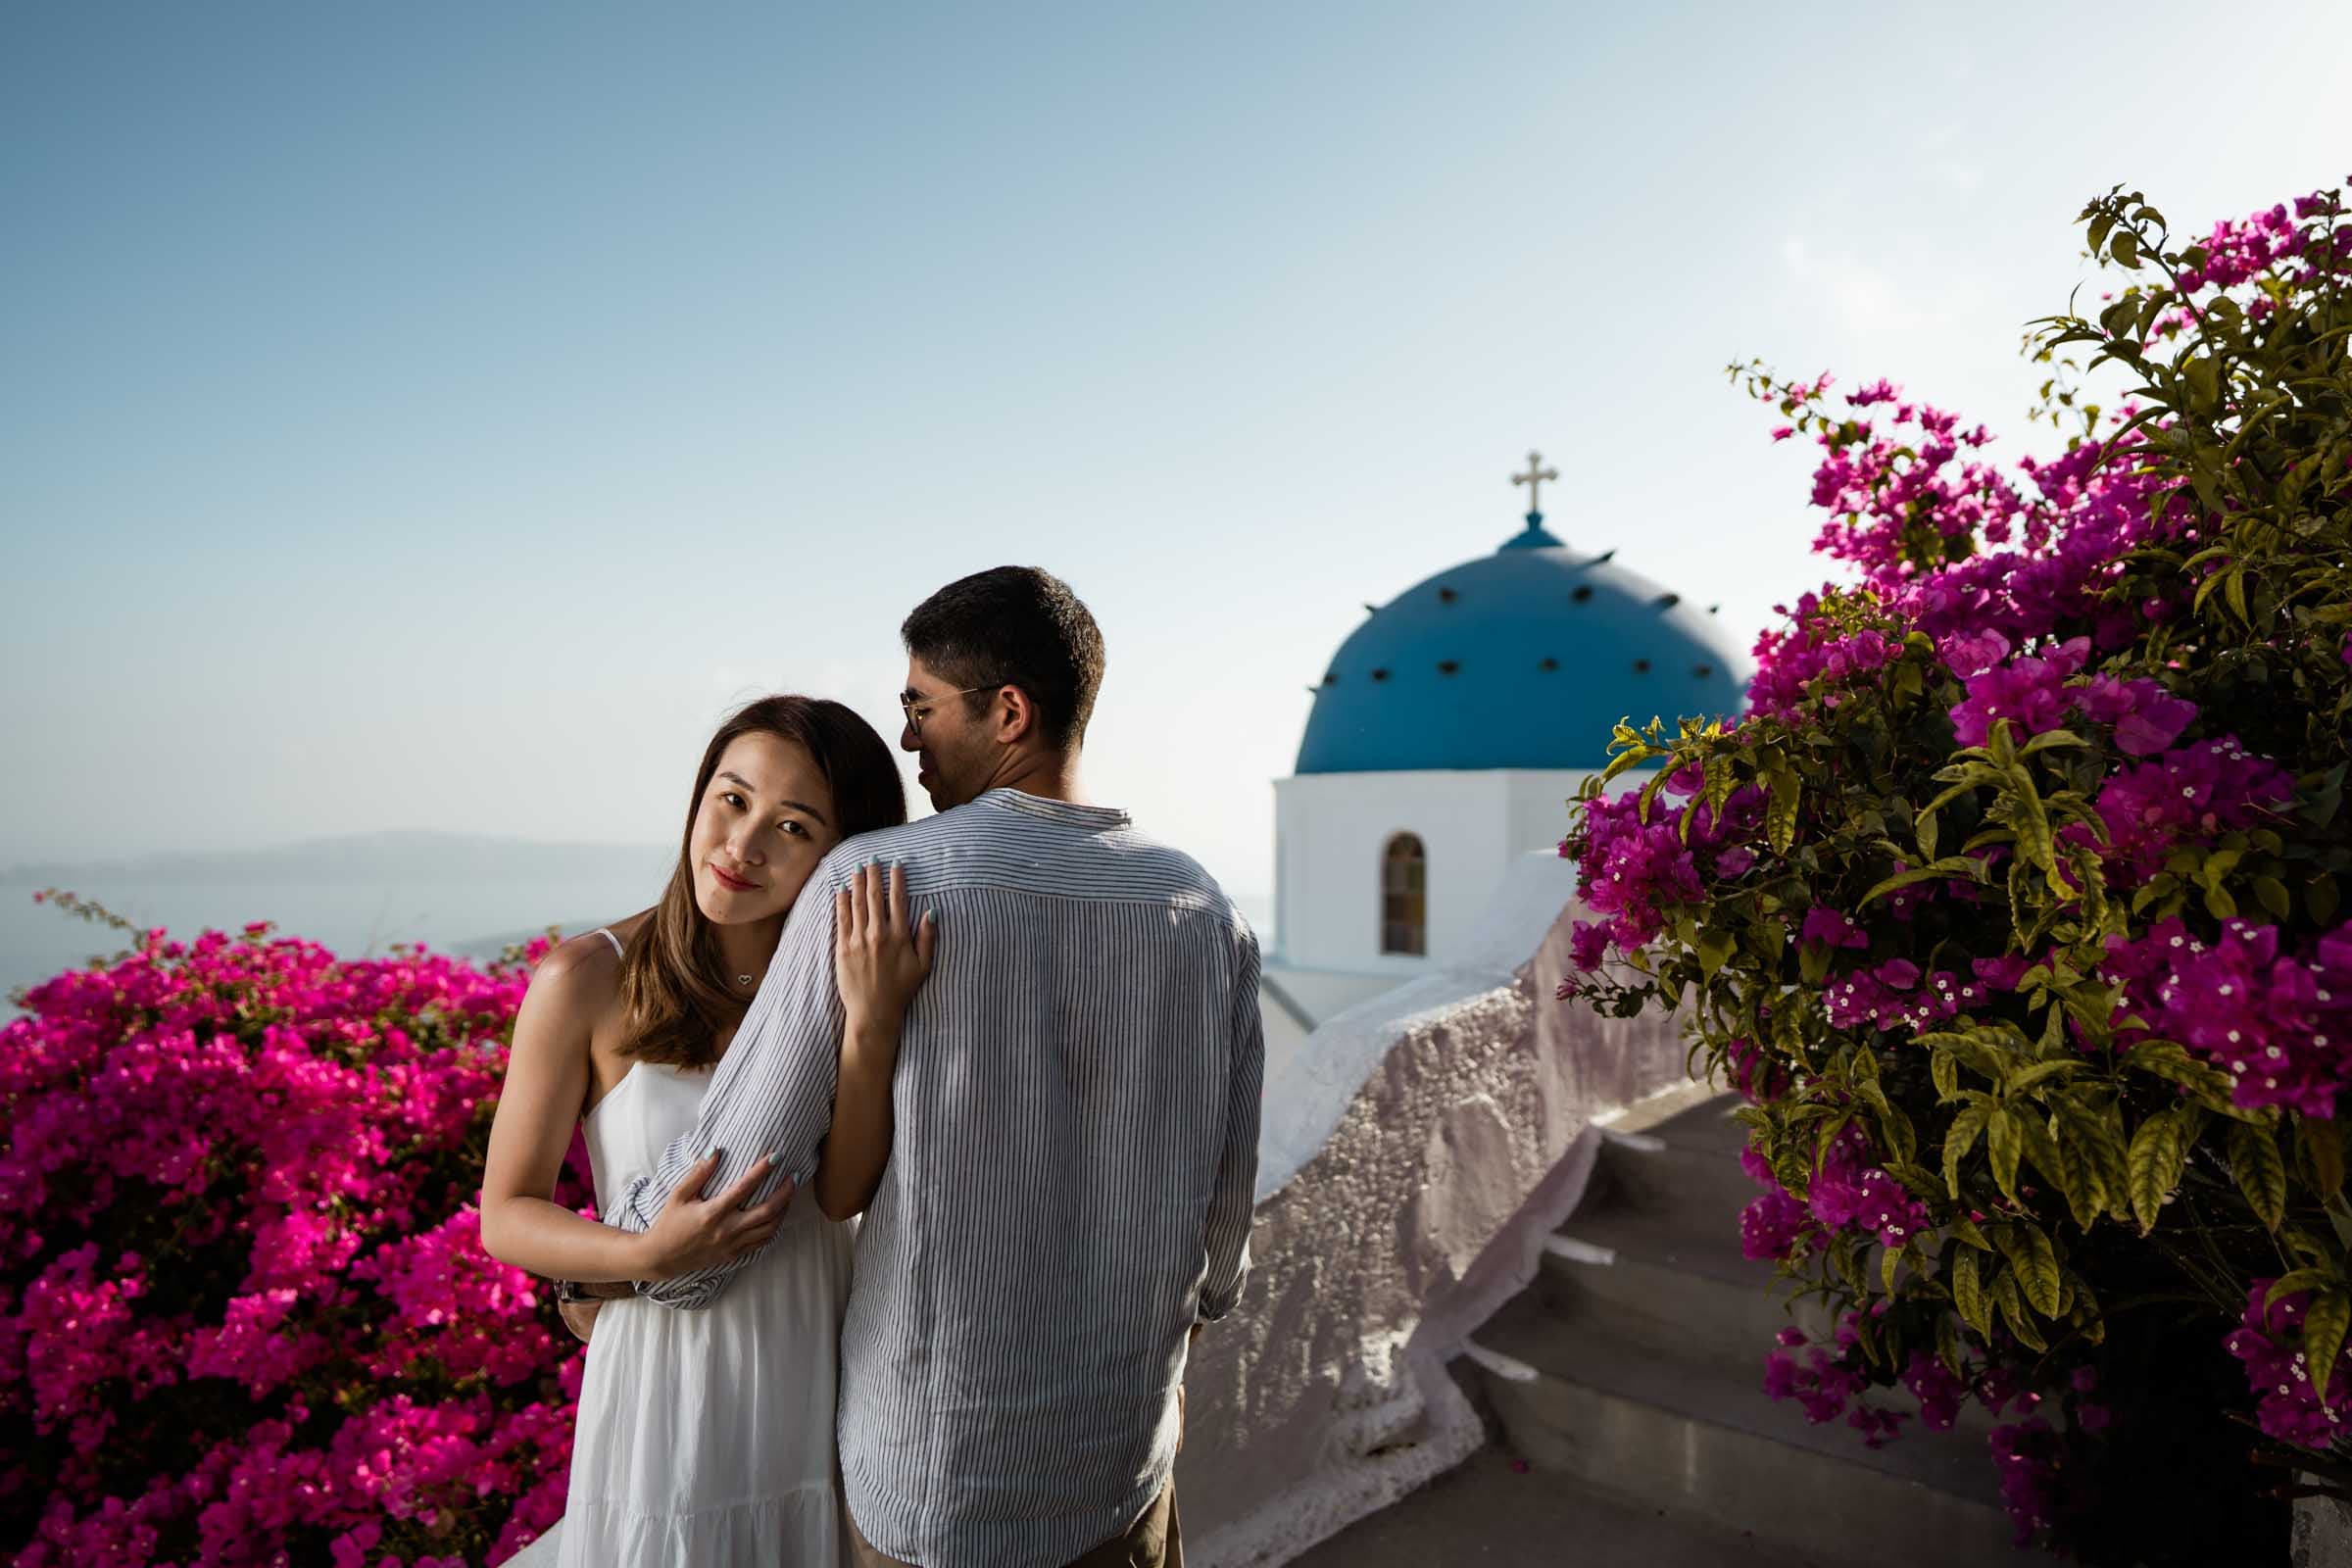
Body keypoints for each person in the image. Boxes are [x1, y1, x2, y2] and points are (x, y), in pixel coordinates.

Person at [607, 566, 1265, 1568]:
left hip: (939, 1485)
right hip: (1124, 1469)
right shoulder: (1205, 911)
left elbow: (737, 1166)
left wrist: (615, 1272)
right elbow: (1225, 1213)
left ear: (1008, 712)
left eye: (922, 707)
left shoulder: (880, 884)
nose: (908, 738)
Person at [480, 694, 934, 1567]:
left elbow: (841, 1194)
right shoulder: (586, 978)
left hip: (820, 1358)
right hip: (668, 1375)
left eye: (793, 828)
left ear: (845, 857)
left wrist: (872, 1024)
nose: (742, 846)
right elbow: (507, 1214)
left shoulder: (845, 981)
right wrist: (646, 1257)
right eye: (731, 801)